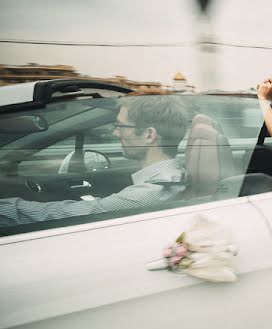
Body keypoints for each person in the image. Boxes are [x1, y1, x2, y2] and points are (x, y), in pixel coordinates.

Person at [0, 94, 190, 228]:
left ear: (149, 135)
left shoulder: (151, 192)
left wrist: (8, 209)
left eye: (120, 126)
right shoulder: (175, 173)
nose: (115, 133)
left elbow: (80, 212)